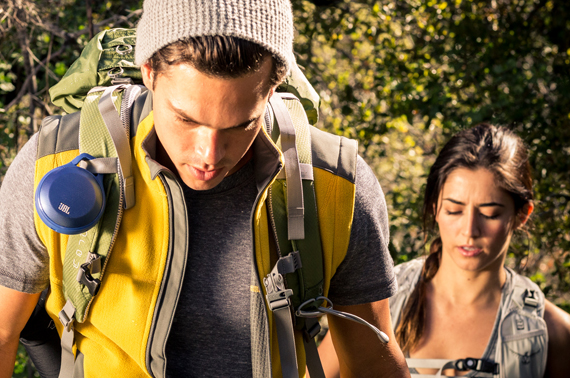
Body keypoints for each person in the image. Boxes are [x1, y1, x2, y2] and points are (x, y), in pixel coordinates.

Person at [0, 1, 410, 377]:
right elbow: (2, 332)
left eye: (239, 124)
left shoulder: (336, 187)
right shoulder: (52, 164)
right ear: (149, 73)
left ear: (273, 89)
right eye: (186, 119)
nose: (209, 154)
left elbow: (372, 359)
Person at [318, 123, 570, 378]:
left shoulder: (550, 332)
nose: (469, 230)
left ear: (521, 215)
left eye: (490, 213)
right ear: (435, 206)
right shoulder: (378, 301)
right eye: (454, 210)